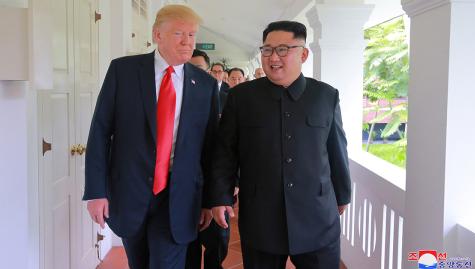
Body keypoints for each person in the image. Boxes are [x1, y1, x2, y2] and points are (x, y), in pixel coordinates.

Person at [83, 5, 219, 269]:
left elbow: (210, 147)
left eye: (192, 35)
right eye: (179, 33)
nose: (187, 41)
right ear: (158, 34)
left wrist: (209, 200)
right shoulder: (123, 71)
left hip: (179, 197)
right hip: (129, 192)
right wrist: (96, 192)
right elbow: (100, 132)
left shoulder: (204, 84)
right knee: (139, 263)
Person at [209, 20, 351, 269]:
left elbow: (336, 149)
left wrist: (343, 194)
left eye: (283, 49)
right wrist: (220, 196)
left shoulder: (326, 96)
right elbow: (225, 152)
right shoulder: (242, 97)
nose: (273, 57)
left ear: (303, 54)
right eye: (267, 50)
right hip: (261, 217)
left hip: (317, 216)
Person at [185, 51, 231, 269]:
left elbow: (235, 145)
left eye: (199, 69)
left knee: (218, 240)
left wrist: (235, 182)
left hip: (217, 183)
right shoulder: (174, 97)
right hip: (187, 185)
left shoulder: (227, 99)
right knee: (188, 243)